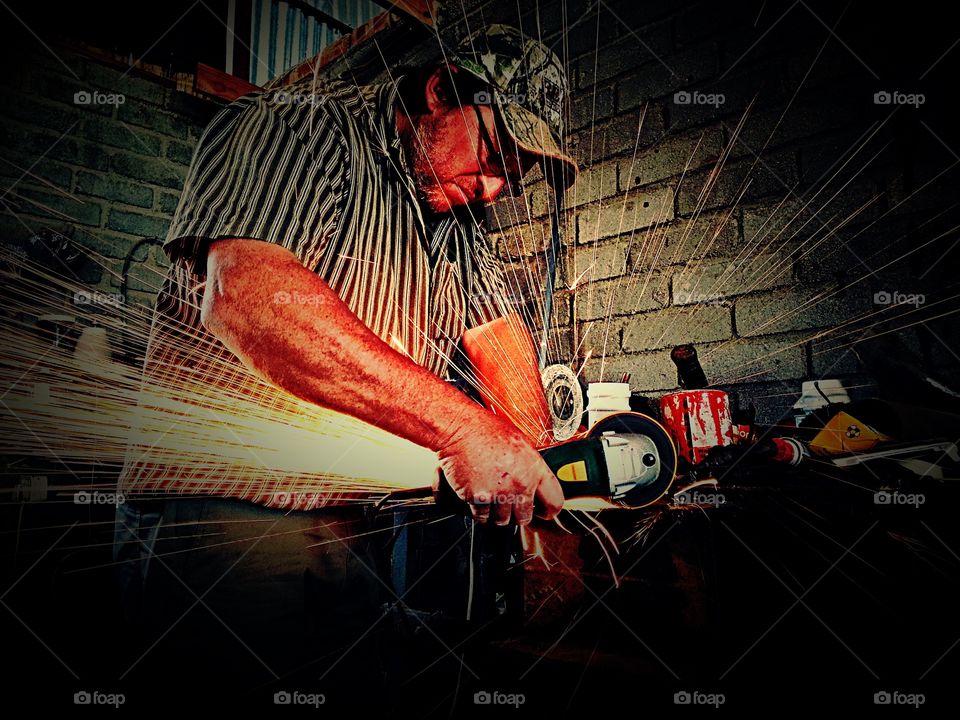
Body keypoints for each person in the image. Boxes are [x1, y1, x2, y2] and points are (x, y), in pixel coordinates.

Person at [112, 24, 577, 703]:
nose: (495, 189)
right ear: (441, 90)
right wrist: (463, 429)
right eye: (496, 153)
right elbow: (251, 299)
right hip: (224, 518)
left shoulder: (458, 231)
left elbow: (499, 339)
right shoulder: (292, 131)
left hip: (356, 526)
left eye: (516, 174)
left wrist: (541, 476)